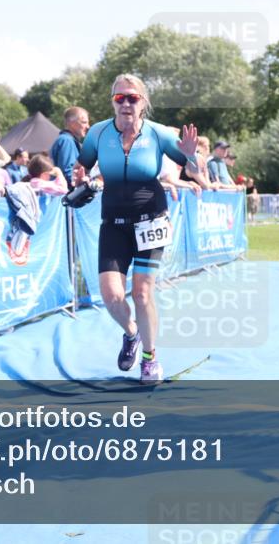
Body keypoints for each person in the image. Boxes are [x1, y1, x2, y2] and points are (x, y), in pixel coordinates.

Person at [72, 73, 199, 385]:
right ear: (113, 102)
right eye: (120, 98)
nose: (126, 103)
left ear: (143, 103)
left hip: (151, 219)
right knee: (112, 296)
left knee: (142, 293)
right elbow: (83, 167)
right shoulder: (98, 134)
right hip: (113, 222)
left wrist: (193, 155)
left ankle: (150, 357)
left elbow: (196, 170)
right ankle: (132, 334)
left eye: (133, 98)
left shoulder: (158, 134)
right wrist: (80, 180)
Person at [51, 106, 90, 188]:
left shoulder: (66, 140)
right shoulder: (67, 141)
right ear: (71, 123)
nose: (88, 126)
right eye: (84, 122)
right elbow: (69, 174)